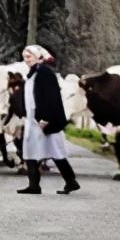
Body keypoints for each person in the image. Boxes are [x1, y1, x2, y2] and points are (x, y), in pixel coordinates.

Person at [17, 44, 79, 195]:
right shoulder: (33, 73)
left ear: (38, 56)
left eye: (29, 56)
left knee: (55, 150)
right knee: (31, 151)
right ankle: (34, 185)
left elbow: (51, 97)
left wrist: (45, 118)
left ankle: (71, 181)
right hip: (33, 120)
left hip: (45, 120)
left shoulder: (45, 73)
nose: (27, 59)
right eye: (25, 57)